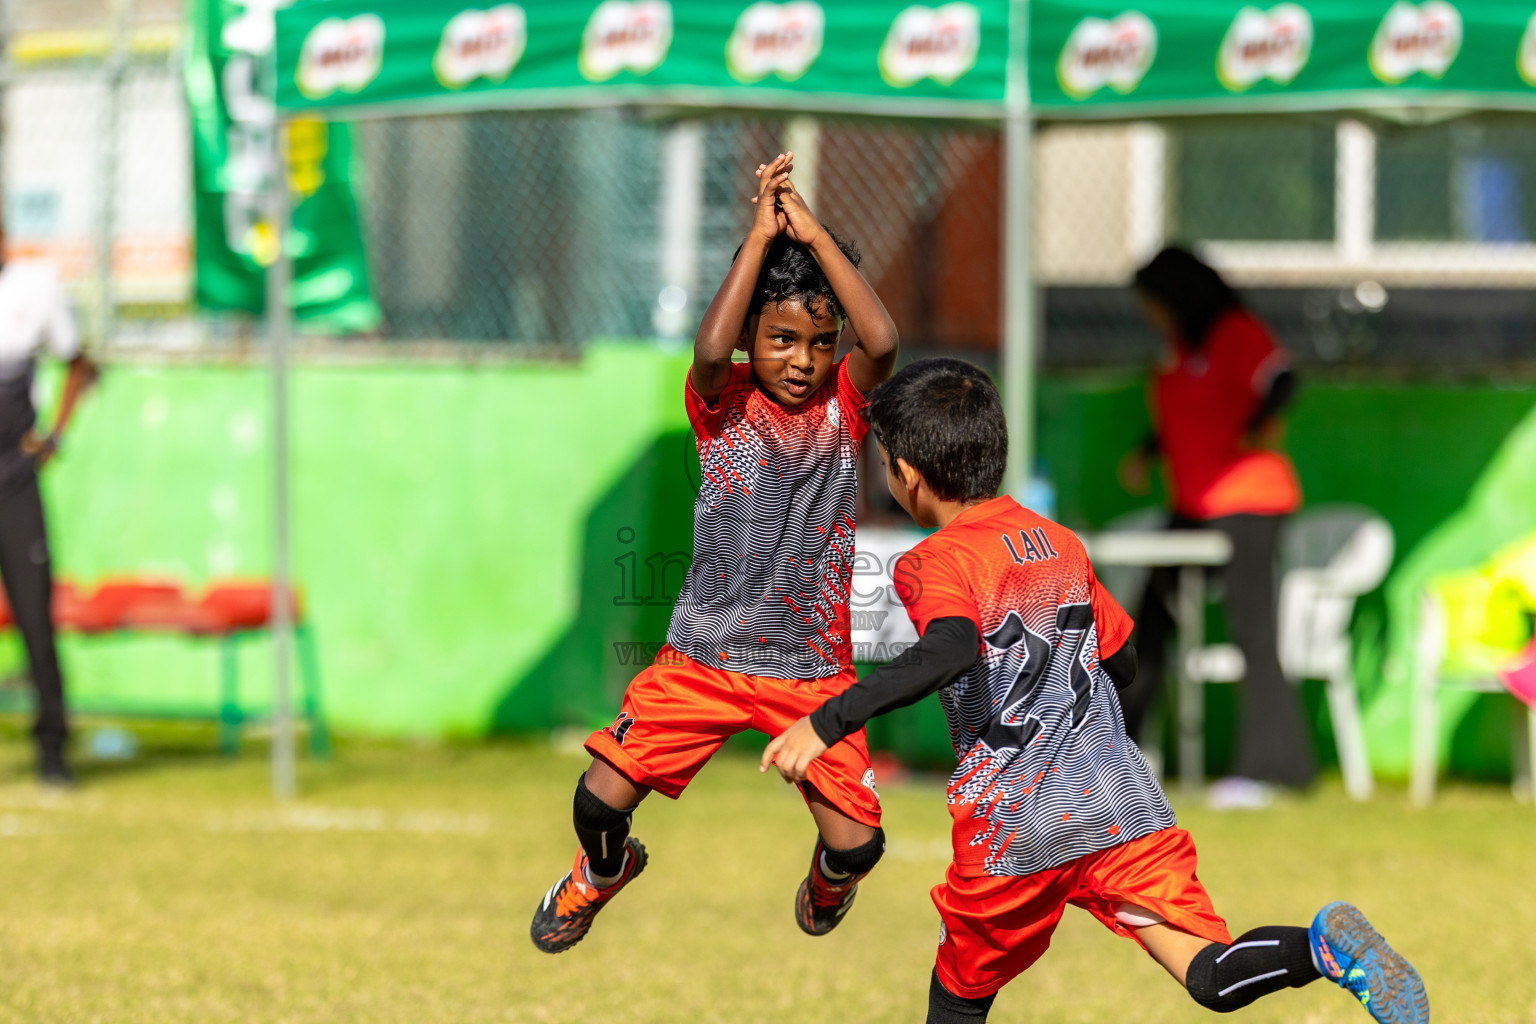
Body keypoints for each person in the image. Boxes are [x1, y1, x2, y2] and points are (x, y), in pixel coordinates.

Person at [762, 358, 1428, 1024]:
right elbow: (1124, 656)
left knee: (958, 1000)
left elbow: (952, 646)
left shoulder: (935, 560)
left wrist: (826, 723)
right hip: (1117, 799)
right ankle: (1321, 949)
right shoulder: (1060, 543)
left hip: (1013, 823)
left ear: (904, 472)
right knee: (1207, 972)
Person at [529, 152, 899, 953]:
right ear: (750, 339)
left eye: (818, 342)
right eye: (782, 339)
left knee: (858, 847)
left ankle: (826, 884)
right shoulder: (721, 402)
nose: (802, 359)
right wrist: (760, 238)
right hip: (705, 658)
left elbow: (884, 336)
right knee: (597, 804)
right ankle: (601, 873)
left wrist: (816, 238)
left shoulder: (846, 406)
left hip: (811, 674)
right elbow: (707, 343)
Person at [1118, 246, 1312, 806]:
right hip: (1194, 506)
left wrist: (1257, 426)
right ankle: (1109, 757)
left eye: (1153, 303)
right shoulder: (1181, 349)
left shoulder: (1234, 332)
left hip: (1250, 502)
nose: (1149, 315)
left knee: (1253, 629)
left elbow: (1283, 379)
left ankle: (1274, 769)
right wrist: (1148, 451)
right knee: (1144, 626)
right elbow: (1194, 416)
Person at [0, 232, 98, 785]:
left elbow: (80, 365)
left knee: (35, 621)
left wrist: (55, 434)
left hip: (14, 484)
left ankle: (53, 750)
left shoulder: (33, 289)